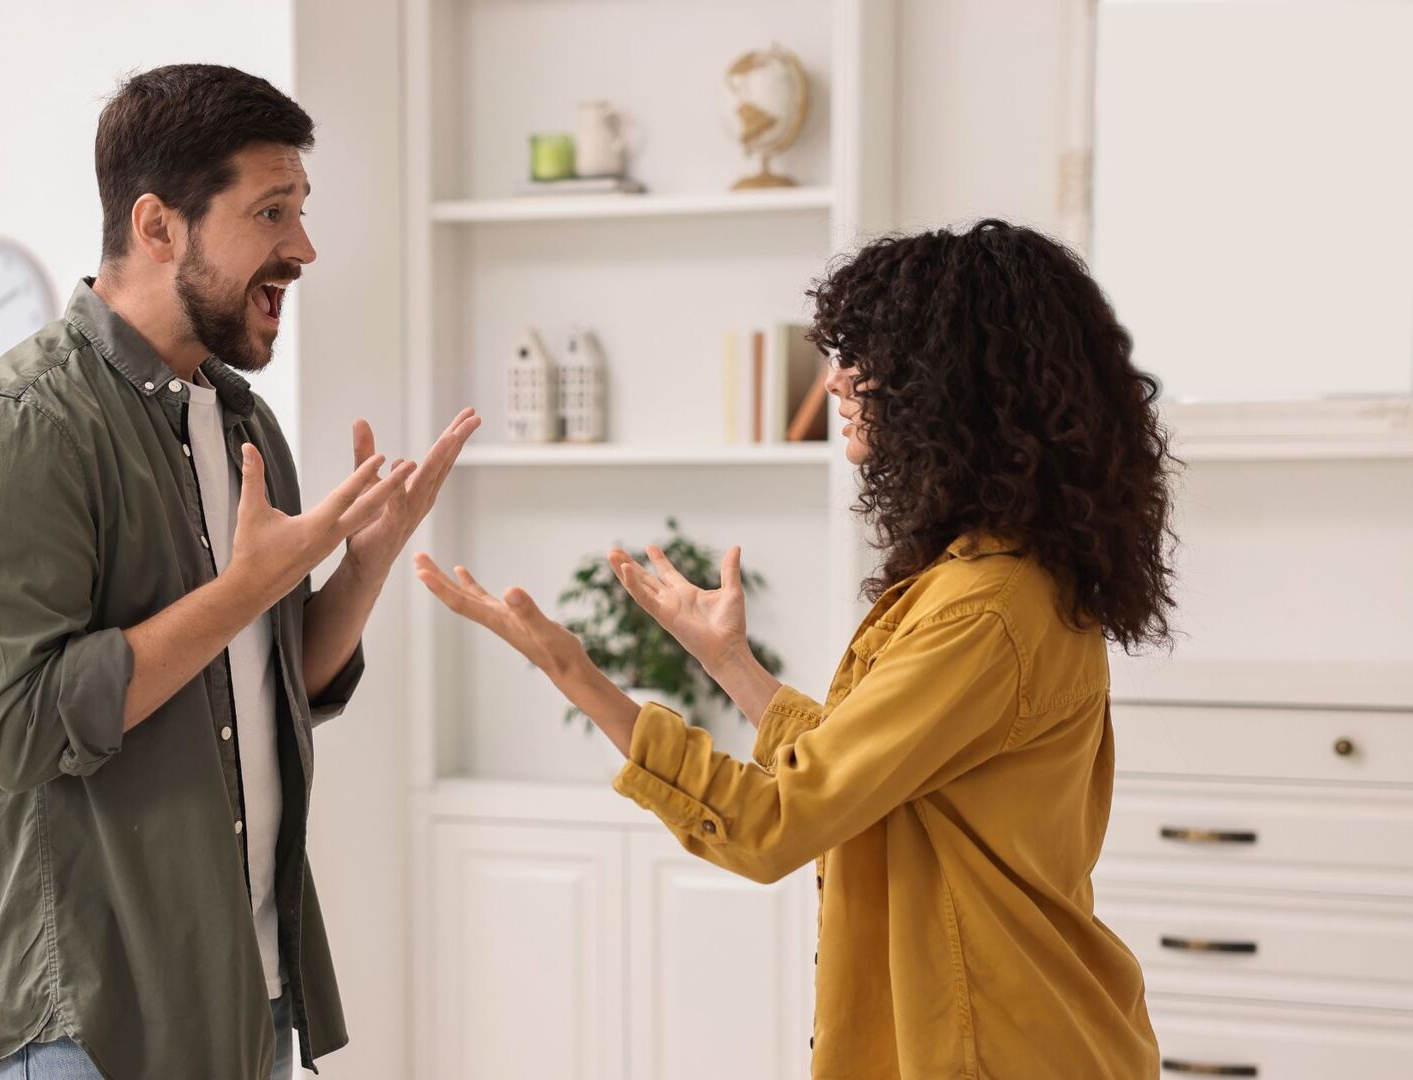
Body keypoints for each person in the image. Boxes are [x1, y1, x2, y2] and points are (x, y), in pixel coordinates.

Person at [418, 219, 1173, 1077]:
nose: (839, 380)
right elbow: (875, 782)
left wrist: (573, 671)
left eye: (869, 356)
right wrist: (731, 664)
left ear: (951, 384)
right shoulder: (1002, 583)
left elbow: (775, 823)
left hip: (992, 1051)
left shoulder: (984, 612)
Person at [0, 65, 478, 1080]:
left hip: (239, 993)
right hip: (84, 1019)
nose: (301, 249)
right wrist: (247, 589)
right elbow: (19, 729)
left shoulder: (242, 425)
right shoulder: (19, 429)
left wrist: (361, 569)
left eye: (301, 211)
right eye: (270, 212)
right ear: (159, 226)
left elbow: (267, 685)